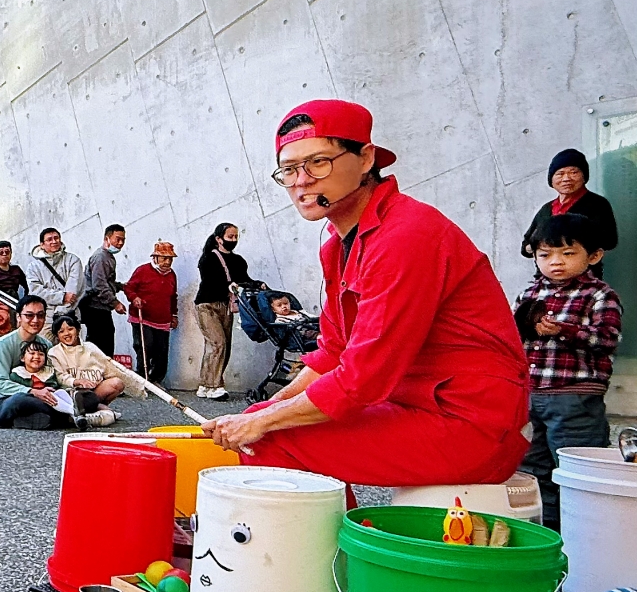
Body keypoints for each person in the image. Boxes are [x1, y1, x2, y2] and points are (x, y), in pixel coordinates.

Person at [201, 100, 531, 494]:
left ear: (365, 159)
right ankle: (348, 541)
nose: (301, 181)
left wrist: (263, 423)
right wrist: (264, 412)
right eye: (289, 170)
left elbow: (364, 378)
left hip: (470, 423)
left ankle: (336, 553)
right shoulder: (338, 245)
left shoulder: (406, 234)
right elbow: (333, 352)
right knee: (264, 419)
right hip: (417, 407)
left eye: (318, 162)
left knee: (269, 437)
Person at [514, 214, 623, 530]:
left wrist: (564, 330)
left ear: (594, 255)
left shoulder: (600, 295)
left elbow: (607, 339)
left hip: (575, 398)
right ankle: (546, 534)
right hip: (531, 396)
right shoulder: (529, 295)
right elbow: (513, 339)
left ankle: (584, 537)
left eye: (567, 253)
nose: (555, 262)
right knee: (532, 470)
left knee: (576, 470)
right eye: (545, 255)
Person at [521, 149, 620, 279]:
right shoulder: (546, 209)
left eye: (574, 172)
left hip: (584, 279)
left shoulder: (597, 204)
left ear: (584, 176)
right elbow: (525, 246)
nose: (566, 178)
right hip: (546, 281)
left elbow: (609, 240)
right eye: (560, 174)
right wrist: (538, 247)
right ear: (551, 180)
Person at [48, 313, 141, 425]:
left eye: (70, 329)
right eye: (61, 331)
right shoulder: (54, 352)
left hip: (94, 391)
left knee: (117, 383)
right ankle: (97, 411)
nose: (66, 334)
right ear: (57, 336)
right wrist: (77, 381)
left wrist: (136, 385)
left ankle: (97, 408)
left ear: (78, 330)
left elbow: (108, 366)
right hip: (71, 394)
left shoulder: (90, 347)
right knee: (78, 398)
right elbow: (60, 376)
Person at [0, 295, 67, 430]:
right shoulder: (3, 344)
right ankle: (64, 416)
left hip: (43, 396)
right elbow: (0, 383)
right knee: (19, 399)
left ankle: (29, 421)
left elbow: (52, 375)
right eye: (29, 315)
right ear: (19, 317)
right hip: (8, 401)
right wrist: (32, 391)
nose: (35, 320)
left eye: (40, 315)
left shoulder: (46, 344)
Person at [125, 240, 182, 387]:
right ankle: (142, 379)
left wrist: (174, 315)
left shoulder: (171, 275)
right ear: (155, 258)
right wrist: (134, 298)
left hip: (162, 319)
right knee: (145, 347)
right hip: (143, 317)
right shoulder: (142, 270)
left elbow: (173, 296)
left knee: (161, 351)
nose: (167, 262)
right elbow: (129, 288)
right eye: (164, 258)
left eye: (170, 259)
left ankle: (156, 380)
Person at [81, 224, 127, 357]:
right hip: (96, 308)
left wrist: (121, 286)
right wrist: (115, 303)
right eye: (117, 239)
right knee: (101, 346)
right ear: (107, 238)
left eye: (123, 240)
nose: (120, 243)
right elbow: (99, 285)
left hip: (101, 308)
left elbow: (107, 282)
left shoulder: (107, 257)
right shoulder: (101, 257)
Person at [27, 228, 84, 322]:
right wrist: (61, 297)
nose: (54, 241)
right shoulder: (33, 267)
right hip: (45, 318)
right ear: (42, 245)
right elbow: (36, 291)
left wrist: (60, 314)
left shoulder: (73, 260)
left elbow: (73, 292)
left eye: (56, 238)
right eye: (49, 239)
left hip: (70, 316)